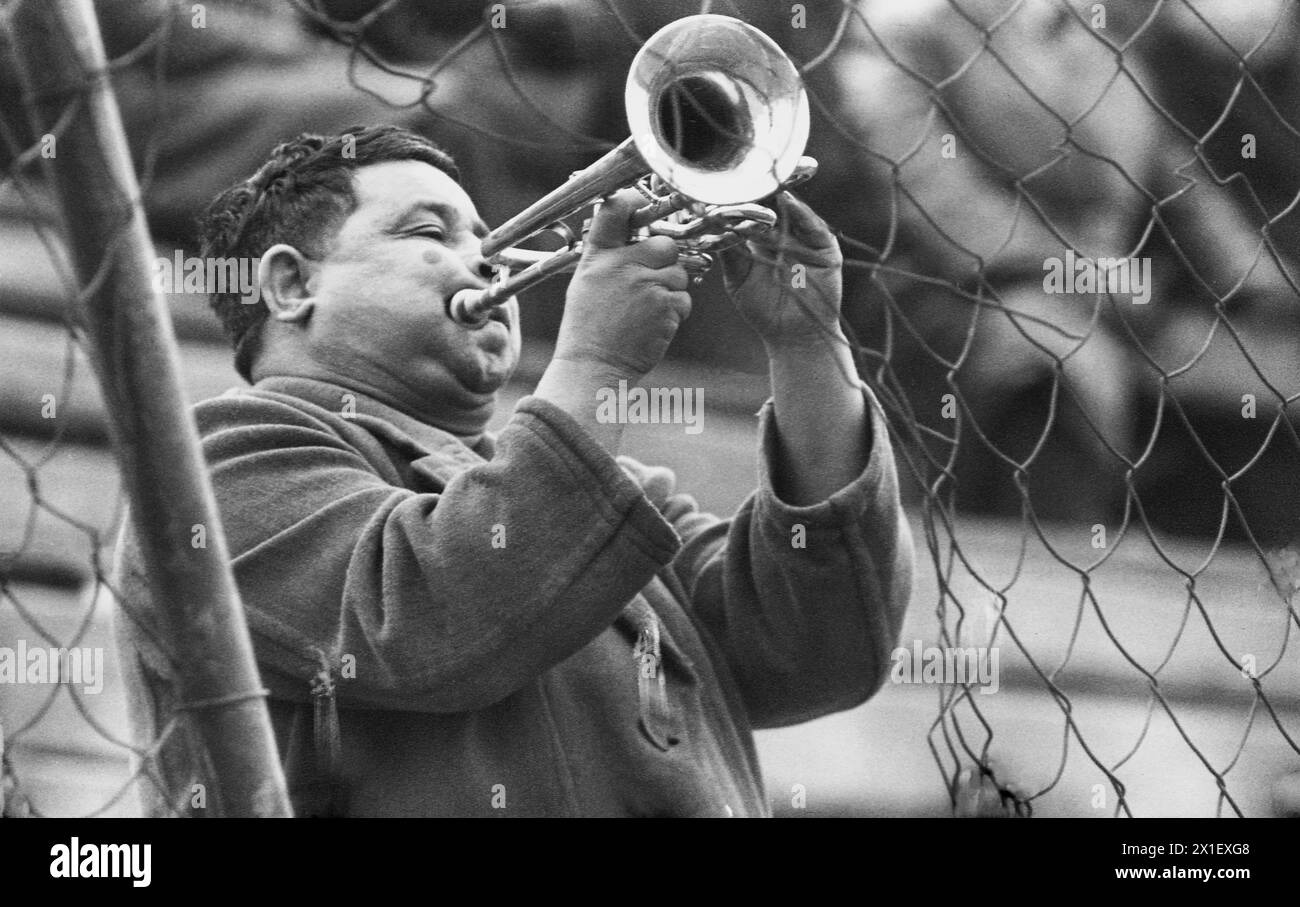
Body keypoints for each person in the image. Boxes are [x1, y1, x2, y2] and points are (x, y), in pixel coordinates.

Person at [112, 124, 914, 817]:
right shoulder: (217, 463)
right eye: (429, 233)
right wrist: (596, 360)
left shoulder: (610, 491)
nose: (488, 261)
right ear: (292, 284)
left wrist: (807, 342)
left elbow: (823, 649)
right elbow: (431, 618)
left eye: (486, 233)